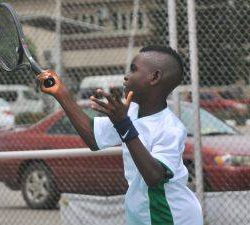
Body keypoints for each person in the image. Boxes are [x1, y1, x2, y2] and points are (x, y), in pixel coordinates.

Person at [37, 45, 203, 225]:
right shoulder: (131, 112)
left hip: (170, 217)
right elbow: (93, 138)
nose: (126, 76)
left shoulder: (170, 128)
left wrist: (123, 125)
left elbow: (154, 177)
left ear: (154, 77)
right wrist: (62, 93)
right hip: (142, 216)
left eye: (133, 69)